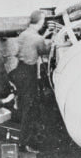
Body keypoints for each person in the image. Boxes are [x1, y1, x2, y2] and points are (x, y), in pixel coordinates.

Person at [11, 11, 52, 154]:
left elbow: (17, 51)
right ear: (40, 22)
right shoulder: (37, 38)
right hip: (29, 73)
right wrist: (52, 41)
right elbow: (44, 50)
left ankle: (23, 132)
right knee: (30, 109)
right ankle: (24, 143)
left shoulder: (23, 35)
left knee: (24, 103)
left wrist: (43, 36)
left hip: (19, 70)